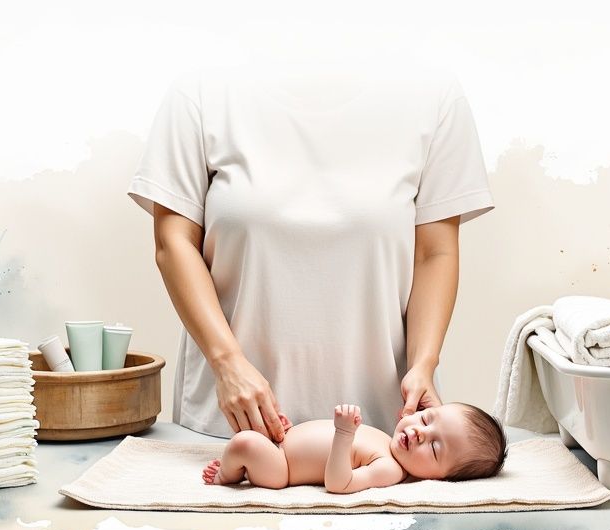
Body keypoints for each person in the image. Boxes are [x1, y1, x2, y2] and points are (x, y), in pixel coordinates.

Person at [128, 57, 495, 442]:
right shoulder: (200, 90)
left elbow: (433, 253)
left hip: (387, 431)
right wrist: (228, 365)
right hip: (232, 424)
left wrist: (424, 364)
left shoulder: (433, 93)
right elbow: (173, 242)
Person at [202, 402, 507, 493]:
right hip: (283, 446)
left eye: (435, 448)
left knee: (243, 442)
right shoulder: (387, 440)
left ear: (439, 478)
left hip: (282, 469)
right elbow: (316, 441)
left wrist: (344, 435)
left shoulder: (389, 469)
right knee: (255, 430)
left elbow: (340, 483)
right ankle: (238, 463)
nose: (419, 434)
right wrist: (288, 430)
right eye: (426, 419)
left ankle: (226, 477)